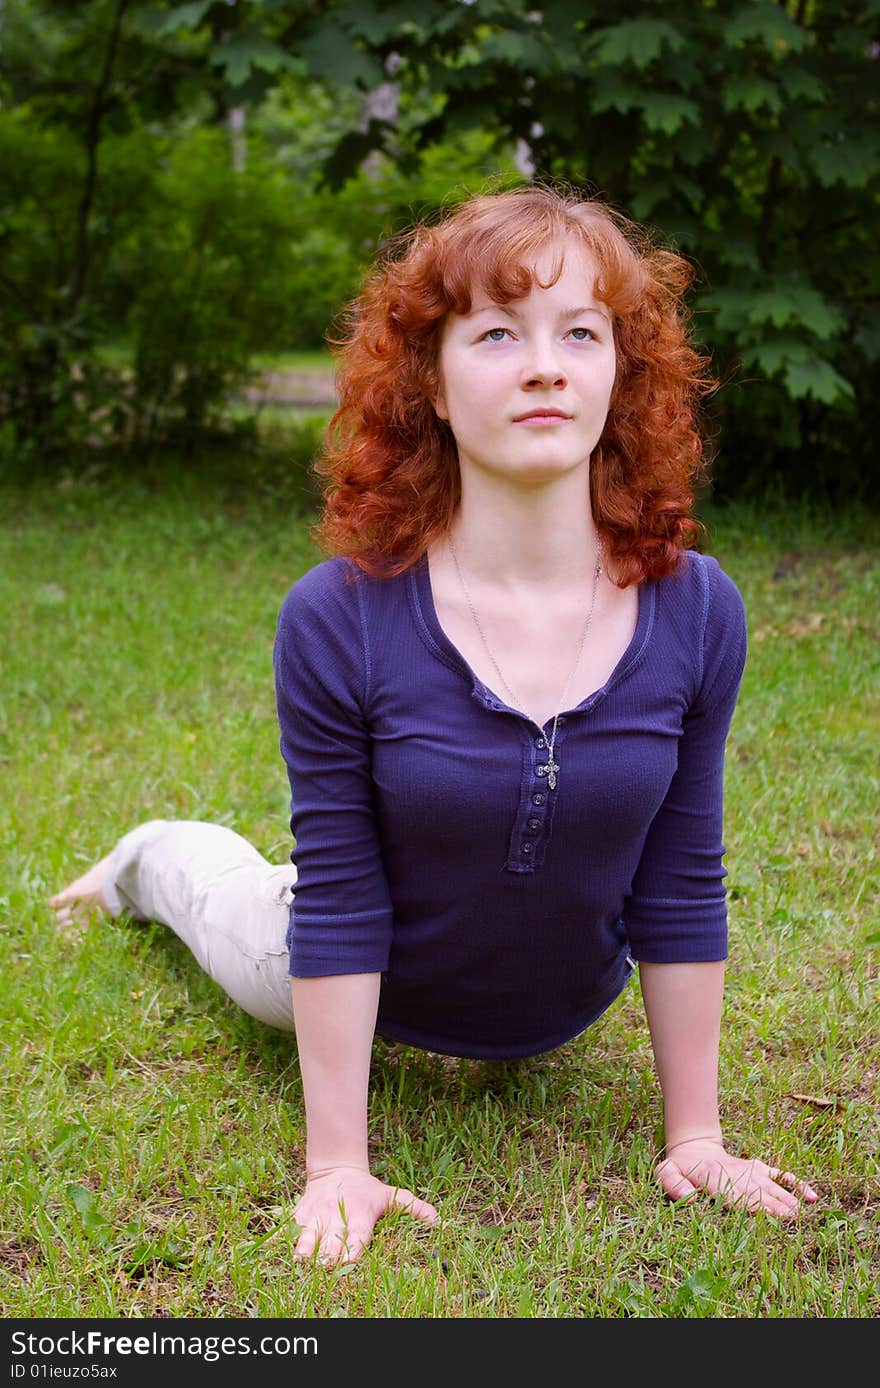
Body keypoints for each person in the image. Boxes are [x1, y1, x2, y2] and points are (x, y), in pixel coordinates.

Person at [51, 182, 818, 1266]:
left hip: (563, 999)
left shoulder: (698, 609)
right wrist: (337, 1163)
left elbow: (682, 873)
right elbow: (343, 891)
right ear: (435, 384)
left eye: (580, 332)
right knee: (218, 892)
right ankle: (140, 855)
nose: (545, 363)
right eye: (499, 331)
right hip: (332, 956)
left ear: (618, 372)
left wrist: (698, 1136)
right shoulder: (340, 615)